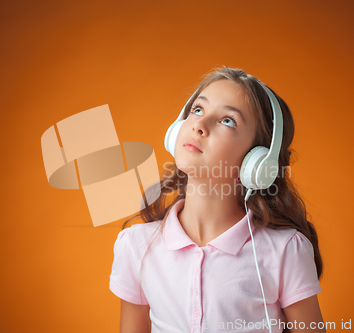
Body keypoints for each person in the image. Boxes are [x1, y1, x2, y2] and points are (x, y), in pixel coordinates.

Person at [109, 66, 326, 333]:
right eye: (197, 110)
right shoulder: (136, 246)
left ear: (256, 163)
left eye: (227, 121)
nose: (199, 124)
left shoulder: (284, 252)